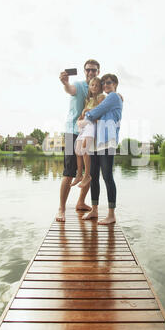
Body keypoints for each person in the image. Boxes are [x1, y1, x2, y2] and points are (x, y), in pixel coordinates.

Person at [56, 59, 100, 222]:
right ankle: (61, 209)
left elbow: (107, 98)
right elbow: (70, 89)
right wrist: (65, 83)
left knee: (90, 172)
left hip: (89, 133)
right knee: (69, 172)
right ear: (84, 71)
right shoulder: (79, 85)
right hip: (72, 132)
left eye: (94, 70)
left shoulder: (97, 87)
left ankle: (81, 202)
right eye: (88, 70)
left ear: (98, 72)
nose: (91, 72)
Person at [77, 74, 123, 225]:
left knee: (107, 176)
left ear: (115, 84)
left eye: (108, 83)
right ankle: (94, 210)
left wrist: (86, 114)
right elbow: (98, 113)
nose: (105, 85)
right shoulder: (107, 98)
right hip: (98, 142)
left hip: (108, 141)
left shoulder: (114, 96)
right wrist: (91, 116)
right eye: (103, 83)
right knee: (94, 176)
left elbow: (96, 112)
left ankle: (111, 214)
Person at [71, 77, 105, 189]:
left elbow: (100, 111)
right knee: (77, 149)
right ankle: (79, 174)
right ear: (89, 87)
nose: (94, 87)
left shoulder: (101, 97)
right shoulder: (88, 99)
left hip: (92, 125)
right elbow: (83, 114)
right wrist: (81, 116)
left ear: (100, 87)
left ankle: (87, 175)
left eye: (97, 85)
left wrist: (86, 111)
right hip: (85, 125)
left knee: (85, 148)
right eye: (92, 85)